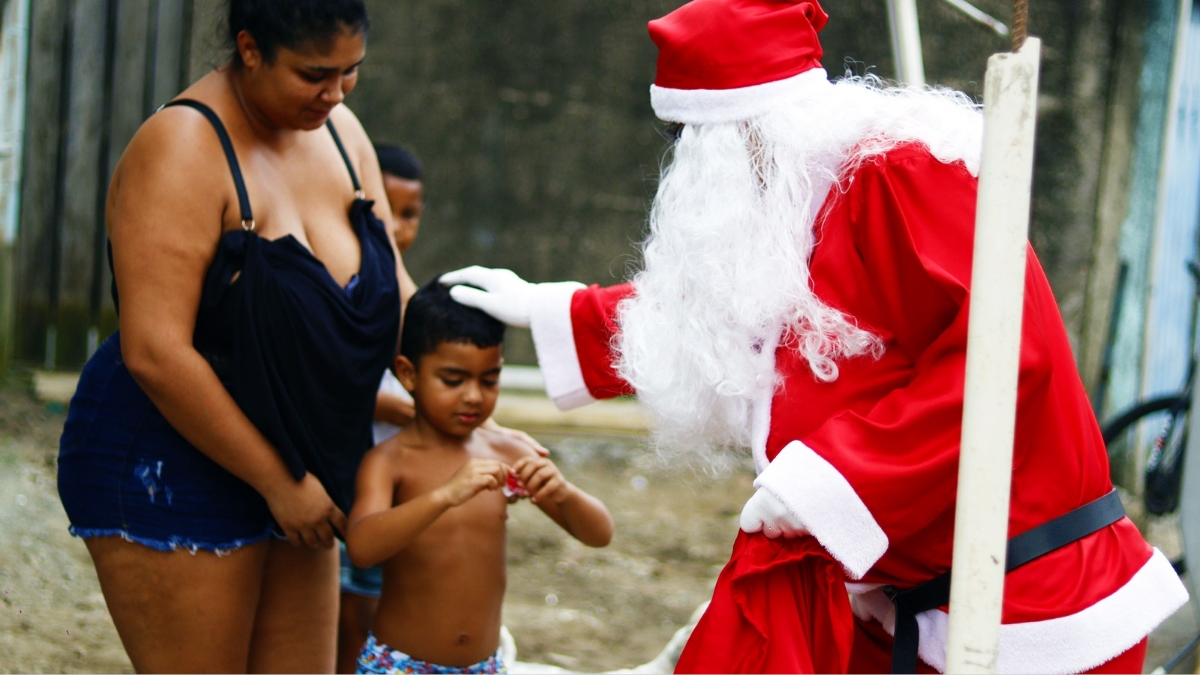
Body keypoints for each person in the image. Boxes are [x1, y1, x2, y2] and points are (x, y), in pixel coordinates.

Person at [442, 0, 1190, 672]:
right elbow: (721, 313)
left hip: (1028, 601)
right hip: (908, 601)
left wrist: (831, 480)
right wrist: (552, 309)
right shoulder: (798, 199)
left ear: (745, 125)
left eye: (691, 137)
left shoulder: (901, 176)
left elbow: (1001, 351)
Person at [55, 2, 416, 671]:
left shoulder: (342, 132)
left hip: (304, 451)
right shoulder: (181, 146)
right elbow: (156, 352)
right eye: (314, 74)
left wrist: (452, 400)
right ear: (249, 49)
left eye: (351, 72)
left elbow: (396, 288)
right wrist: (279, 482)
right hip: (170, 449)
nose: (334, 93)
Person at [344, 278, 614, 674]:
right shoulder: (391, 460)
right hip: (400, 664)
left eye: (489, 380)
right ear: (408, 374)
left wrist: (563, 491)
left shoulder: (508, 453)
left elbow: (600, 533)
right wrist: (444, 495)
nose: (473, 395)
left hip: (484, 666)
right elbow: (362, 547)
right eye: (453, 380)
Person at [336, 143, 423, 674]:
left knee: (371, 609)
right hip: (343, 483)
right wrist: (399, 408)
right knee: (340, 613)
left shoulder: (415, 302)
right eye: (388, 213)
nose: (399, 228)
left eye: (410, 215)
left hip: (391, 493)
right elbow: (333, 383)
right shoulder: (345, 291)